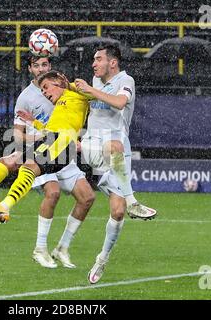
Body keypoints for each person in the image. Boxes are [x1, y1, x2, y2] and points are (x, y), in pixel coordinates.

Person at [0, 55, 95, 269]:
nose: (44, 91)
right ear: (29, 68)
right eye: (37, 66)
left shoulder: (73, 93)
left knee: (85, 197)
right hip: (49, 143)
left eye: (45, 66)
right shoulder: (31, 98)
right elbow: (25, 133)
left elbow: (88, 100)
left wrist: (76, 86)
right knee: (23, 169)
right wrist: (35, 128)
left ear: (55, 74)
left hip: (61, 145)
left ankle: (57, 245)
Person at [74, 44, 157, 284]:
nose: (94, 63)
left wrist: (90, 90)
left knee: (117, 212)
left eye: (98, 59)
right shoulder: (94, 81)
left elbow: (120, 103)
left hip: (119, 154)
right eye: (93, 59)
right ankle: (133, 201)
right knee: (114, 146)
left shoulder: (125, 80)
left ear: (113, 62)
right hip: (96, 147)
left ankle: (102, 259)